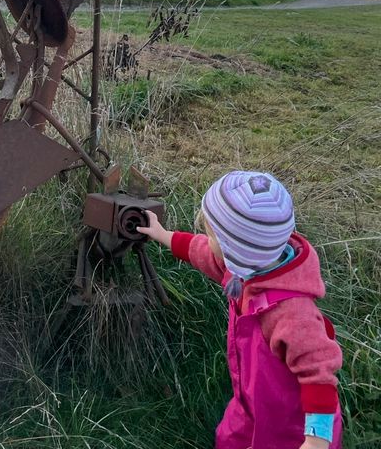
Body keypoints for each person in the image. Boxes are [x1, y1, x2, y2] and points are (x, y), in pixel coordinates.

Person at [136, 170, 343, 449]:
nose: (207, 241)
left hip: (291, 428)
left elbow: (320, 377)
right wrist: (163, 235)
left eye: (212, 236)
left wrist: (315, 441)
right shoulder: (246, 271)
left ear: (235, 249)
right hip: (250, 403)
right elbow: (201, 252)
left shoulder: (293, 314)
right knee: (230, 439)